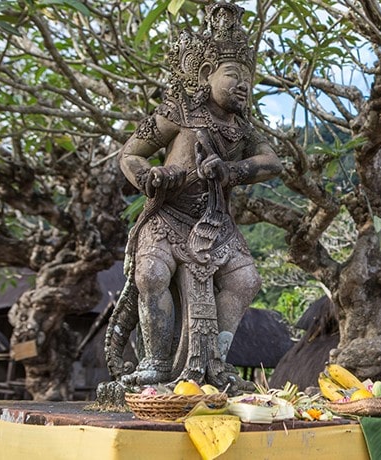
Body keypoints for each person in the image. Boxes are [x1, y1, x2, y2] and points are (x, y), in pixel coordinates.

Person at [104, 2, 282, 391]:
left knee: (246, 280)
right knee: (151, 274)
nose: (243, 84)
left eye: (248, 78)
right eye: (233, 74)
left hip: (215, 223)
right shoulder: (177, 112)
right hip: (168, 217)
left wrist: (232, 171)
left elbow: (272, 163)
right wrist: (151, 177)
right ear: (204, 74)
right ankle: (155, 361)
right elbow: (130, 154)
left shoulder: (243, 129)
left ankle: (216, 359)